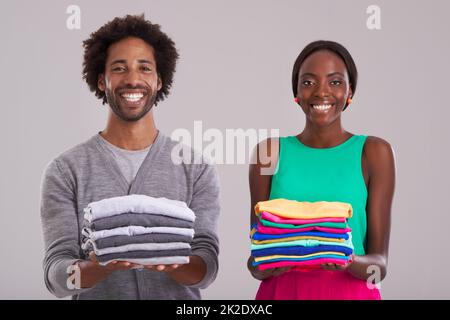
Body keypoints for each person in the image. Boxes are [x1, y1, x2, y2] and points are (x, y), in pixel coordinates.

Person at [40, 14, 220, 300]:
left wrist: (172, 263)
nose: (133, 79)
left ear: (159, 80)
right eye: (119, 68)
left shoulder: (195, 168)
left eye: (144, 68)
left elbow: (207, 267)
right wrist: (99, 268)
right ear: (102, 80)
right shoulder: (66, 170)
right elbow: (57, 277)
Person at [247, 40, 395, 299]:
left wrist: (347, 260)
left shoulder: (374, 152)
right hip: (282, 293)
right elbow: (256, 259)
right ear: (296, 93)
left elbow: (379, 265)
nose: (321, 92)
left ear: (350, 92)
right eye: (308, 82)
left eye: (335, 82)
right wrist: (271, 264)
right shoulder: (268, 153)